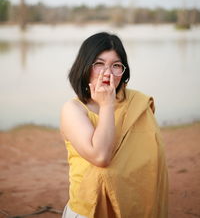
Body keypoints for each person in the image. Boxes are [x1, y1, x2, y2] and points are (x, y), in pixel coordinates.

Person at [60, 32, 168, 218]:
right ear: (84, 67)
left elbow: (152, 159)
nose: (107, 73)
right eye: (99, 64)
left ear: (123, 72)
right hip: (89, 209)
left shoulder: (137, 103)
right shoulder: (74, 109)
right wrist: (107, 105)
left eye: (116, 65)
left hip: (135, 206)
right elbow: (101, 157)